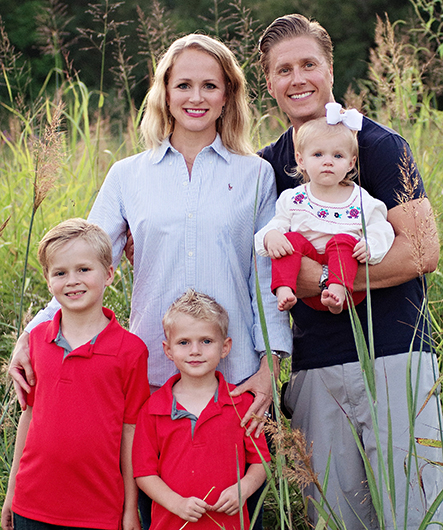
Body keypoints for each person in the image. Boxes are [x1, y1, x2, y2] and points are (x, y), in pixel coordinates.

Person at [8, 34, 292, 529]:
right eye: (183, 84)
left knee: (230, 514)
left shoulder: (256, 176)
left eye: (210, 85)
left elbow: (264, 280)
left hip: (234, 381)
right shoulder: (127, 176)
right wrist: (32, 336)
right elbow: (86, 261)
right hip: (151, 380)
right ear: (164, 91)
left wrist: (269, 370)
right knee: (150, 511)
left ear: (228, 94)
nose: (196, 97)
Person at [257, 13, 442, 530]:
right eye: (284, 69)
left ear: (330, 70)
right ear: (268, 83)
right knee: (335, 519)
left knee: (415, 514)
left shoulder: (377, 146)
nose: (298, 79)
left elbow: (424, 251)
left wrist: (323, 281)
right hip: (315, 367)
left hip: (395, 358)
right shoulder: (268, 166)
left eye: (309, 64)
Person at [1, 218, 150, 530]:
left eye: (84, 269)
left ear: (109, 274)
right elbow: (28, 417)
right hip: (32, 505)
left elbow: (130, 433)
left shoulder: (131, 351)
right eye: (60, 273)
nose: (72, 280)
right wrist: (11, 492)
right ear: (48, 280)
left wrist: (130, 508)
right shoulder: (37, 342)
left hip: (99, 511)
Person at [133, 289, 270, 530]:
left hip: (228, 524)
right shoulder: (153, 409)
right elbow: (144, 473)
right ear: (168, 350)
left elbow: (260, 462)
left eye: (206, 341)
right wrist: (176, 503)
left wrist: (244, 488)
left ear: (225, 347)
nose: (195, 350)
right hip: (172, 523)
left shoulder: (242, 404)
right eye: (184, 342)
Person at [255, 110, 395, 314]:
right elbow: (277, 224)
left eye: (338, 155)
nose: (328, 161)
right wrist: (271, 236)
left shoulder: (361, 200)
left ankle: (336, 292)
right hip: (303, 289)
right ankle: (284, 288)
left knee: (344, 241)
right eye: (318, 154)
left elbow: (382, 229)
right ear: (300, 160)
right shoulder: (293, 198)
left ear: (350, 163)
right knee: (290, 239)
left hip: (348, 287)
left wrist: (371, 245)